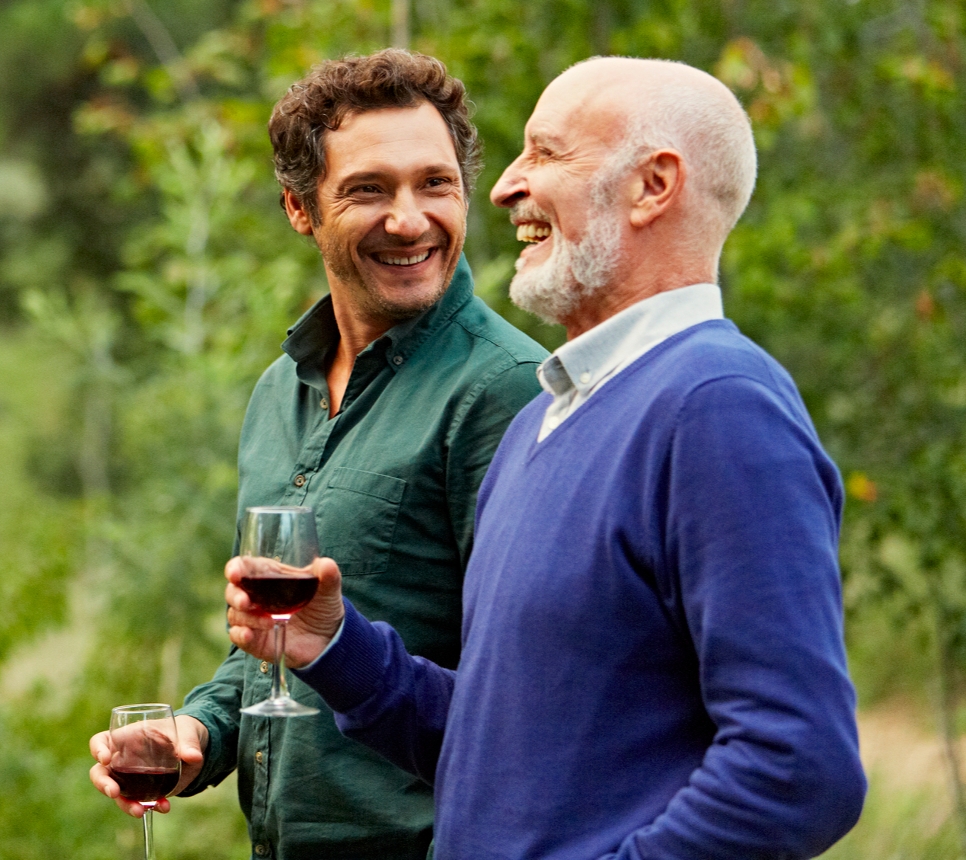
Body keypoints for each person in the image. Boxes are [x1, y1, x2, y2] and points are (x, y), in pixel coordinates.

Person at [225, 56, 867, 859]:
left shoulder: (718, 405)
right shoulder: (550, 419)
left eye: (548, 153)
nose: (500, 189)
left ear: (653, 186)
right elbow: (500, 754)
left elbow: (800, 768)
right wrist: (336, 650)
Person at [90, 49, 548, 859]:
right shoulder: (280, 390)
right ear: (300, 210)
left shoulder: (503, 391)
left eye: (435, 184)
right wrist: (199, 729)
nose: (410, 220)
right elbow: (272, 645)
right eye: (368, 190)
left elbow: (528, 709)